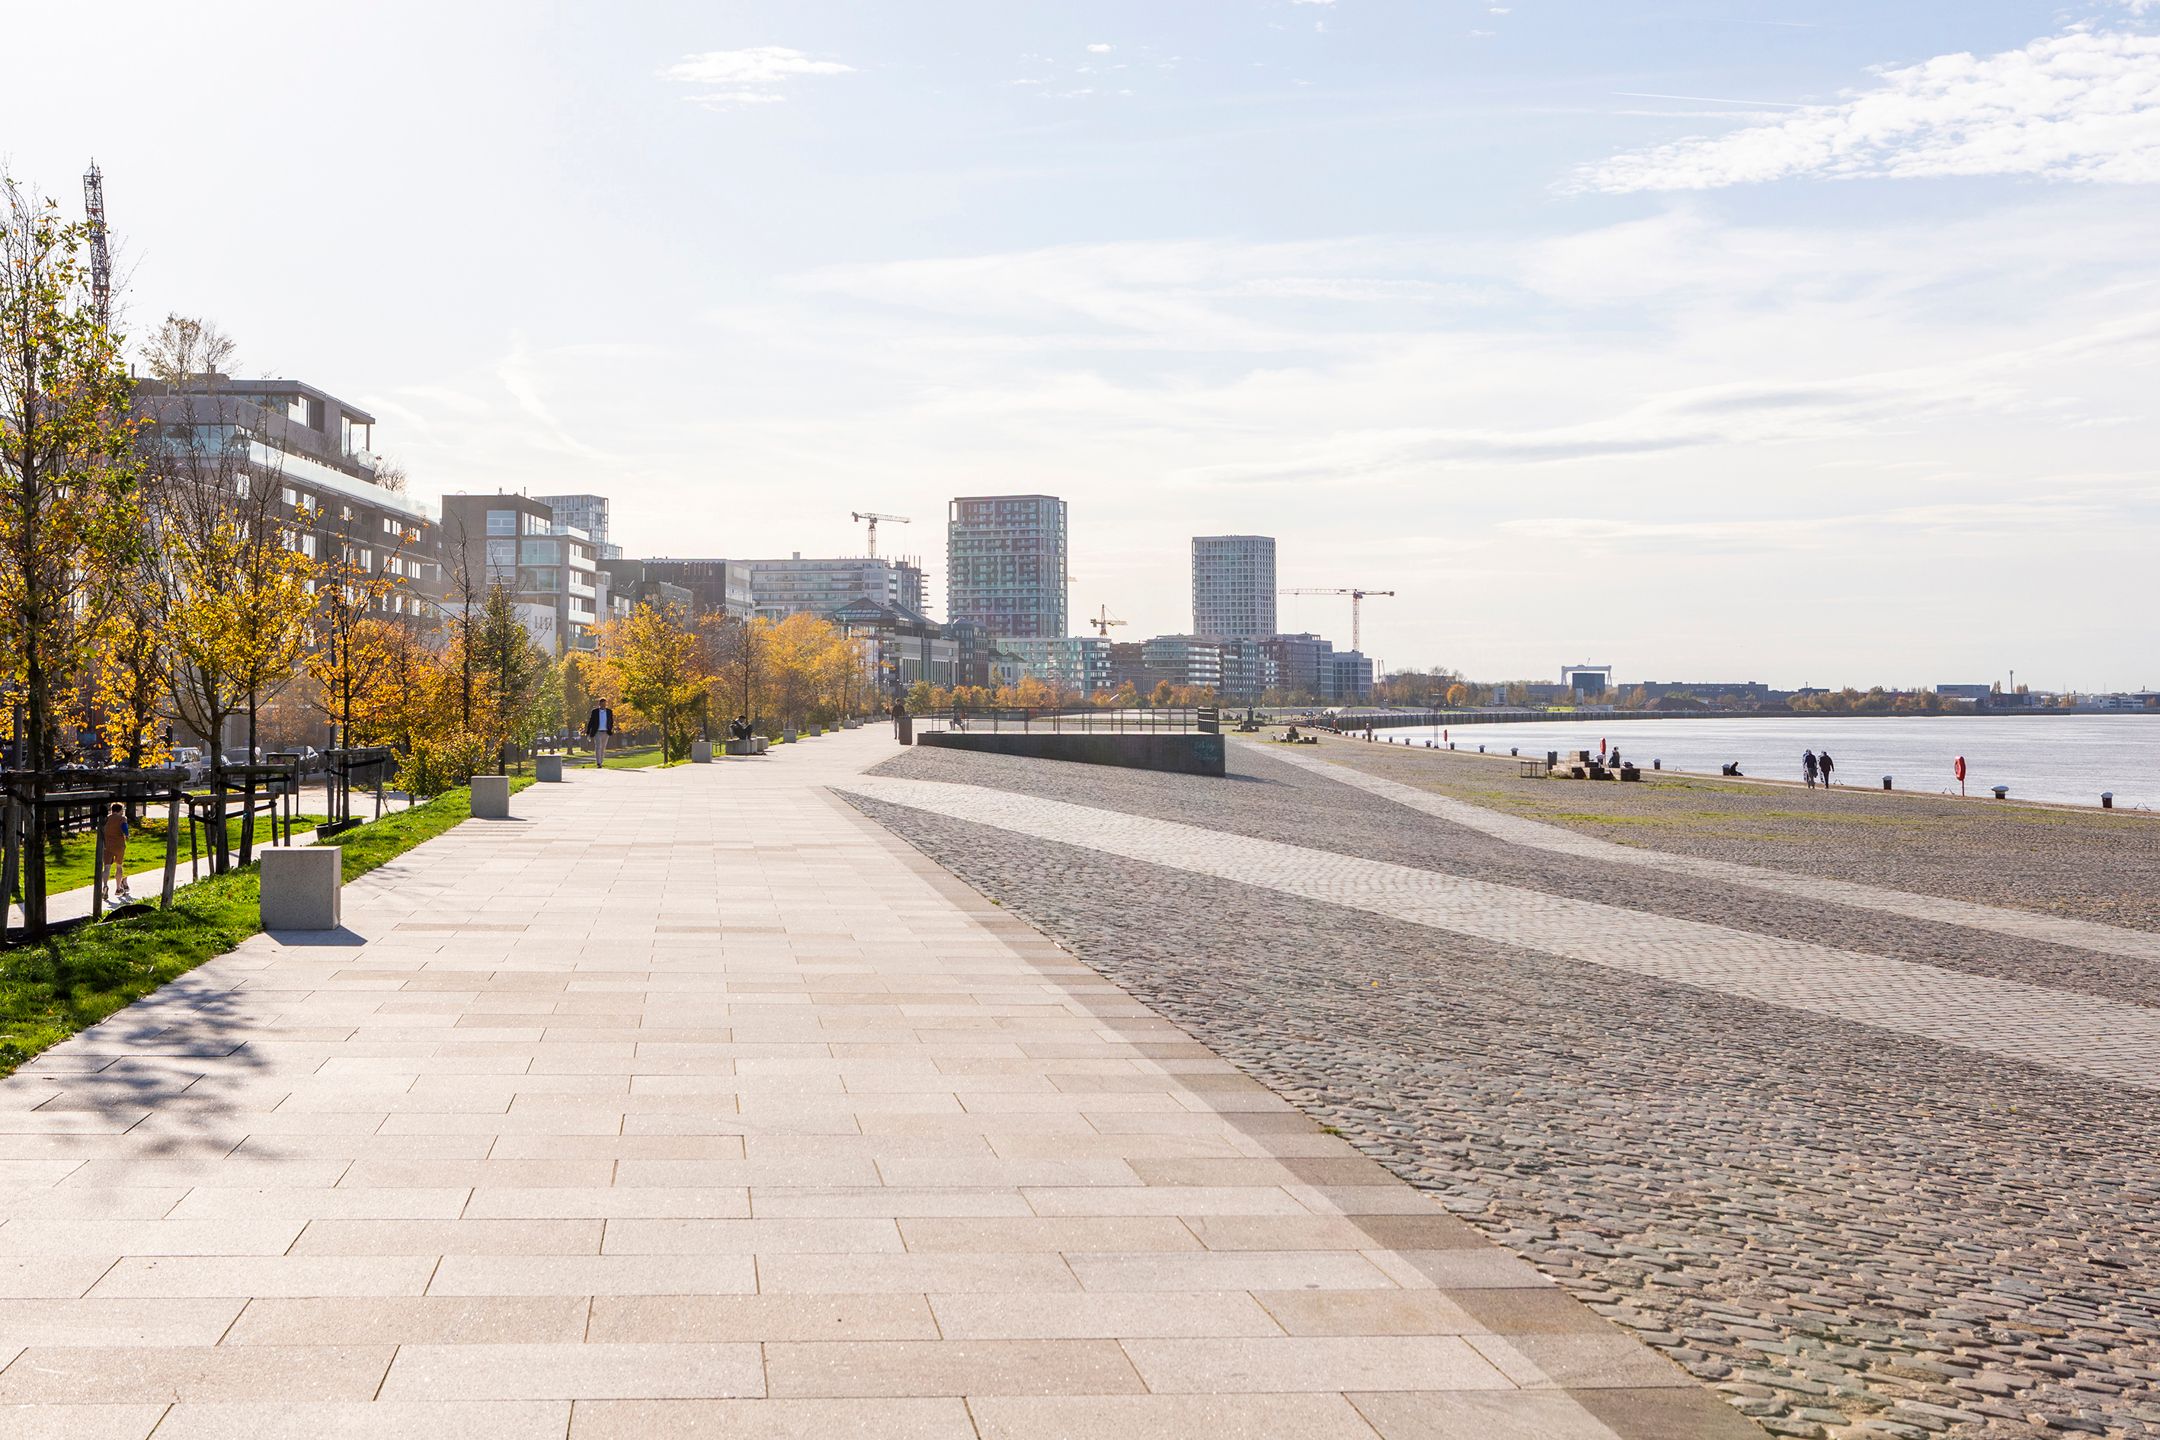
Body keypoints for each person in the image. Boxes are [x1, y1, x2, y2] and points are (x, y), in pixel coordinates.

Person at [101, 802, 131, 903]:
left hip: (107, 846)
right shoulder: (122, 818)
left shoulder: (107, 818)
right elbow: (124, 828)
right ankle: (118, 888)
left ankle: (105, 885)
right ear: (120, 810)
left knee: (107, 867)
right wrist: (127, 835)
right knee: (119, 866)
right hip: (119, 846)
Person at [585, 703, 614, 768]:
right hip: (597, 732)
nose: (604, 705)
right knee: (598, 747)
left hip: (606, 732)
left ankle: (601, 761)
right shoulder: (595, 712)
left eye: (605, 704)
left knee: (603, 748)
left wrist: (610, 728)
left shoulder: (609, 711)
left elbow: (611, 721)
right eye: (602, 704)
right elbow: (591, 722)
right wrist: (588, 732)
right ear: (599, 704)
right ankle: (598, 762)